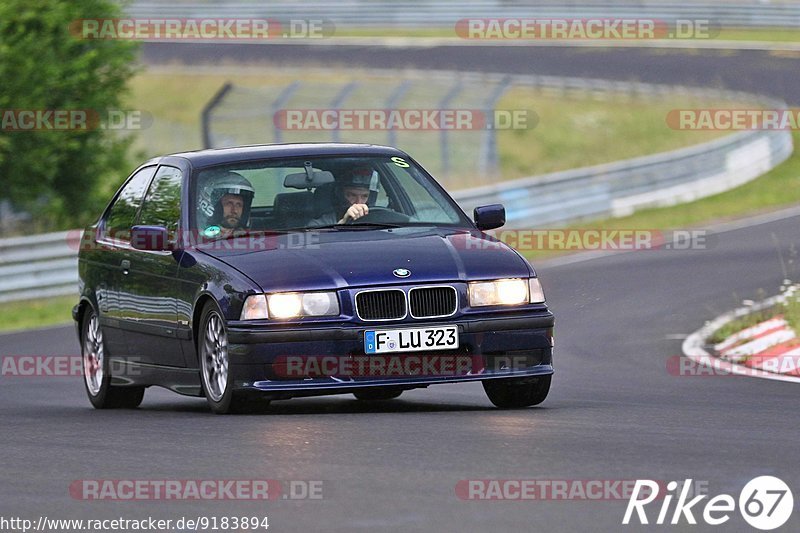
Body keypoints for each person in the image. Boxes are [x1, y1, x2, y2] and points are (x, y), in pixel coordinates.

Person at [308, 166, 377, 227]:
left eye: (365, 196)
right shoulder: (321, 223)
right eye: (352, 195)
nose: (358, 202)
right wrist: (343, 223)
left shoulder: (379, 219)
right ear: (340, 195)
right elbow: (313, 238)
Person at [198, 171, 255, 238]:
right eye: (229, 204)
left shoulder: (249, 238)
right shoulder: (196, 236)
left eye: (239, 205)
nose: (234, 210)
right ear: (214, 206)